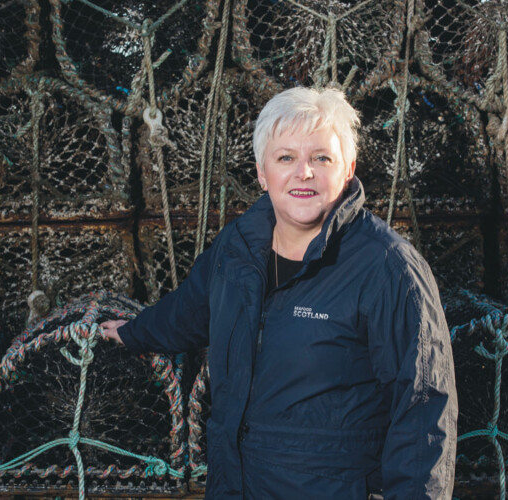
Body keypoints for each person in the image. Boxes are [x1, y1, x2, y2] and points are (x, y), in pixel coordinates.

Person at [102, 87, 457, 499]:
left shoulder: (387, 267)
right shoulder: (238, 247)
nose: (303, 173)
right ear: (261, 172)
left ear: (348, 169)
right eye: (286, 157)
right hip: (235, 485)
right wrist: (132, 332)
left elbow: (423, 411)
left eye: (321, 158)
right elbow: (190, 310)